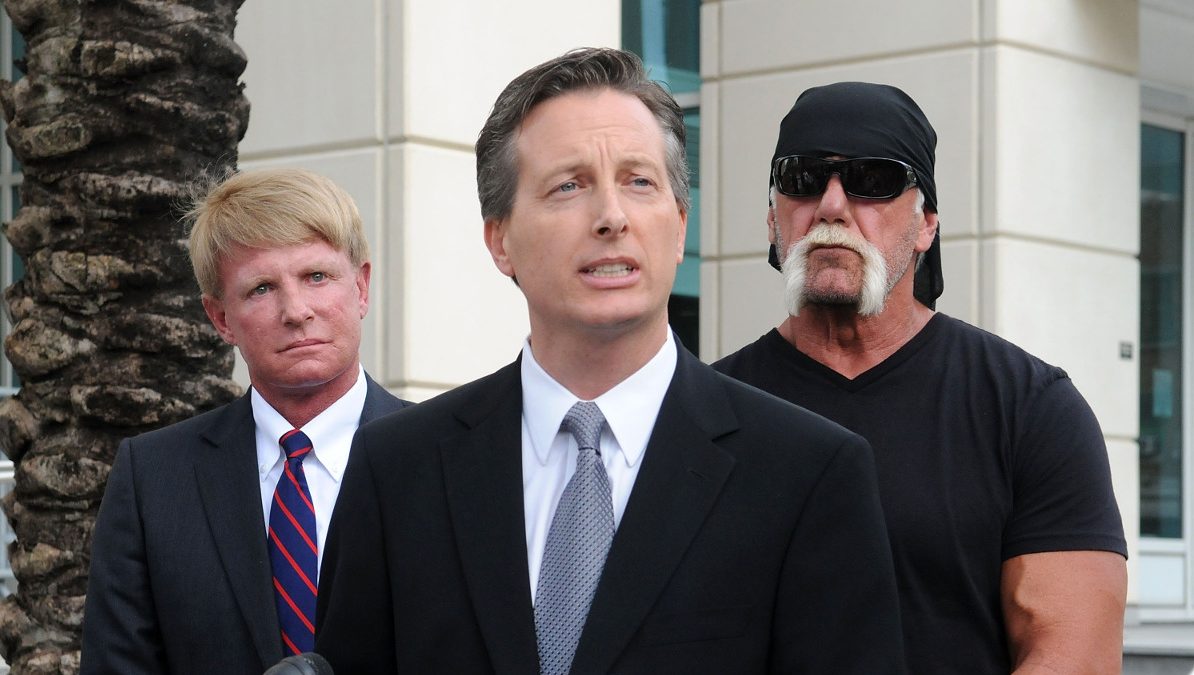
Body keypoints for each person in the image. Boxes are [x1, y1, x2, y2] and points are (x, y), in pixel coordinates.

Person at [315, 48, 904, 675]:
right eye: (568, 185)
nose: (611, 218)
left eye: (638, 182)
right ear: (500, 239)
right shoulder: (397, 467)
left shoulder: (808, 473)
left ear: (679, 226)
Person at [713, 82, 1128, 674]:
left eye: (874, 179)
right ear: (773, 220)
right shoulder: (706, 413)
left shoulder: (1028, 409)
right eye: (803, 178)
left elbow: (1073, 655)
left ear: (927, 224)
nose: (831, 206)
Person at [80, 168, 410, 675]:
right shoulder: (154, 479)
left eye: (316, 277)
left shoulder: (443, 458)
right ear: (220, 319)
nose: (296, 311)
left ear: (361, 287)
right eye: (261, 288)